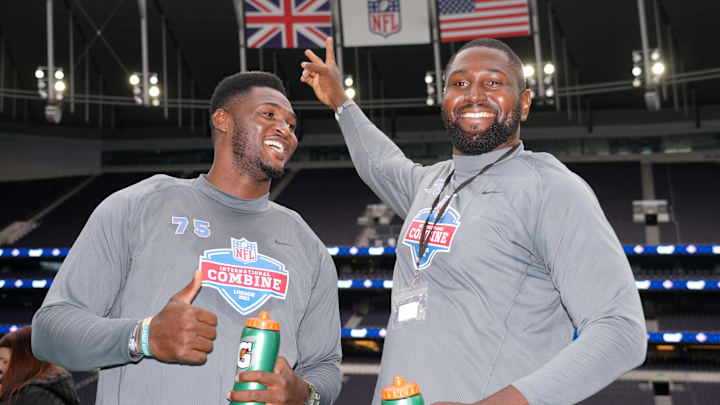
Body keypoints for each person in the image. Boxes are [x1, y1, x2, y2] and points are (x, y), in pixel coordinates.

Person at [300, 38, 647, 405]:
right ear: (445, 100)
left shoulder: (550, 189)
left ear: (524, 104)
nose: (474, 95)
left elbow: (621, 331)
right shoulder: (432, 184)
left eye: (494, 83)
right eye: (460, 83)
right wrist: (341, 102)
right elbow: (379, 162)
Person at [32, 71, 341, 405]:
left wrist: (306, 395)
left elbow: (324, 365)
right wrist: (143, 336)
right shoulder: (140, 205)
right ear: (222, 120)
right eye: (269, 115)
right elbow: (50, 331)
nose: (285, 130)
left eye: (292, 125)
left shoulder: (308, 245)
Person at [0, 326, 80, 405]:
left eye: (5, 362)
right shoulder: (35, 394)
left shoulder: (34, 397)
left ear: (25, 364)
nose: (0, 367)